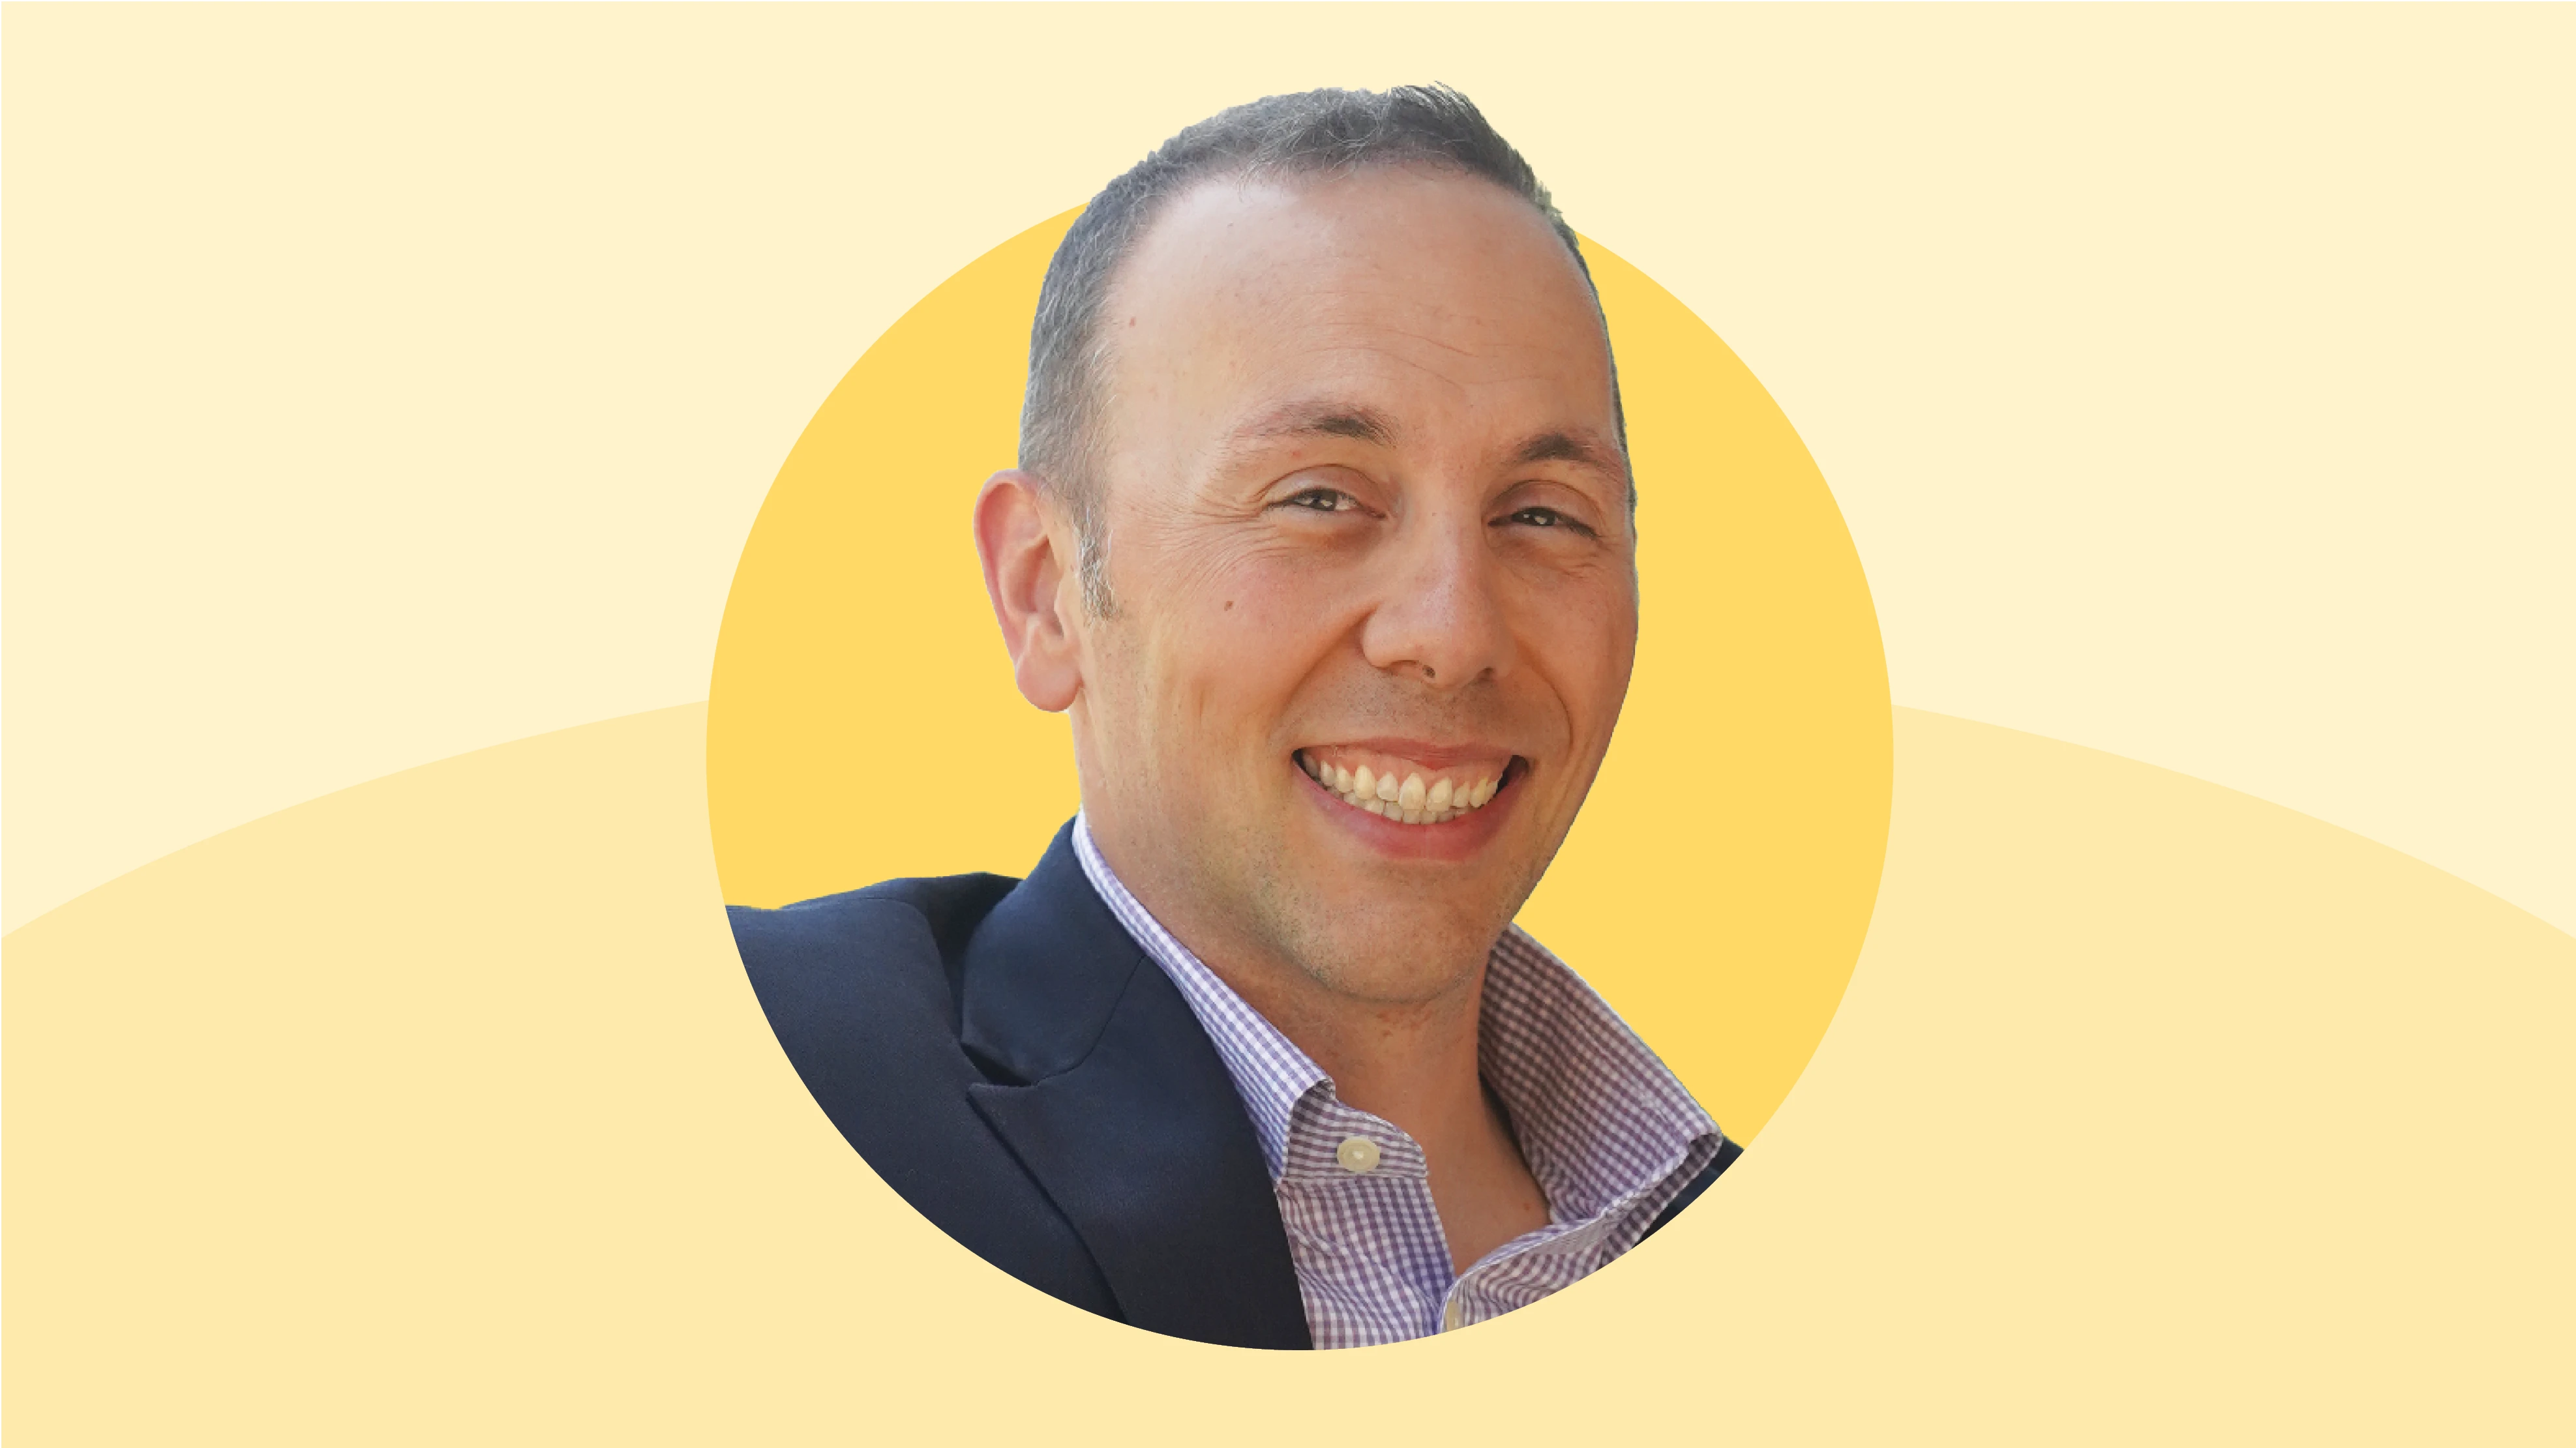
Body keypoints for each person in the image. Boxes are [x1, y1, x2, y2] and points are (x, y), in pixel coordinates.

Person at [728, 84, 1737, 1351]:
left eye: (1542, 513)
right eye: (1319, 497)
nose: (1452, 632)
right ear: (1045, 595)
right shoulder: (759, 1073)